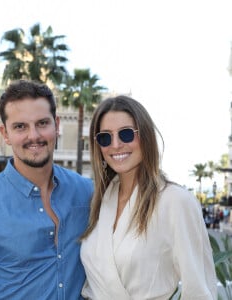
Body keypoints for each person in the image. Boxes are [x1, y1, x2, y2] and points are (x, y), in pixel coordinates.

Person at [0, 80, 93, 299]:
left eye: (42, 123)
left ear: (57, 125)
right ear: (5, 133)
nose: (33, 135)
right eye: (20, 126)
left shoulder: (87, 193)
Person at [80, 95, 217, 299]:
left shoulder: (175, 201)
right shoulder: (101, 201)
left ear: (145, 136)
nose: (115, 145)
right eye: (105, 137)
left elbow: (199, 290)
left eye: (126, 134)